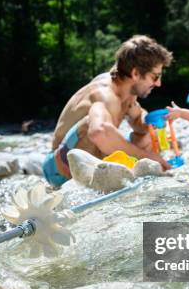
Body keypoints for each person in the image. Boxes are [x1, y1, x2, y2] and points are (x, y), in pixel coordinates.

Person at [43, 35, 173, 188]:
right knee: (94, 123)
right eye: (155, 76)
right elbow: (100, 133)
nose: (158, 83)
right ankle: (92, 185)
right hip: (60, 167)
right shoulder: (104, 95)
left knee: (150, 135)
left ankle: (119, 179)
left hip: (95, 156)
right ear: (136, 73)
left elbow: (138, 120)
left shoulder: (126, 90)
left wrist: (154, 122)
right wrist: (150, 157)